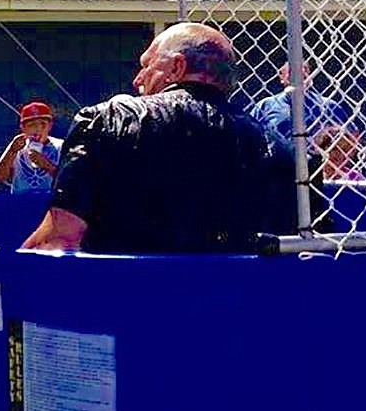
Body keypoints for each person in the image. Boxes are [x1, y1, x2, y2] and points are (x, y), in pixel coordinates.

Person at [21, 22, 300, 253]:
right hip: (242, 308)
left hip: (124, 306)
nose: (138, 79)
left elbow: (57, 241)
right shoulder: (281, 149)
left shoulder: (109, 121)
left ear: (177, 67)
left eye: (147, 65)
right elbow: (308, 248)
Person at [251, 60, 353, 155]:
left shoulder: (328, 105)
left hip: (317, 163)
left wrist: (332, 135)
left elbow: (353, 136)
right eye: (292, 71)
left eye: (305, 70)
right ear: (281, 76)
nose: (300, 73)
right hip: (277, 164)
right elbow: (250, 134)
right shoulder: (266, 105)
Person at [0, 101, 63, 194]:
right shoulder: (17, 146)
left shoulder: (60, 146)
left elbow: (70, 180)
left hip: (52, 202)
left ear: (50, 126)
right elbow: (0, 178)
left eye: (43, 124)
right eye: (32, 125)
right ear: (22, 127)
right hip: (21, 203)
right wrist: (11, 151)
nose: (38, 129)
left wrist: (46, 165)